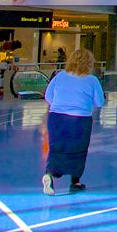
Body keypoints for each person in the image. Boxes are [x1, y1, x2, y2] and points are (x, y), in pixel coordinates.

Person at [41, 47, 104, 195]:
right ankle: (75, 181)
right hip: (80, 119)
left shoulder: (60, 76)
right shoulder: (92, 80)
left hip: (57, 117)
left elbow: (48, 97)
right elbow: (100, 102)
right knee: (78, 150)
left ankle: (50, 174)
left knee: (57, 147)